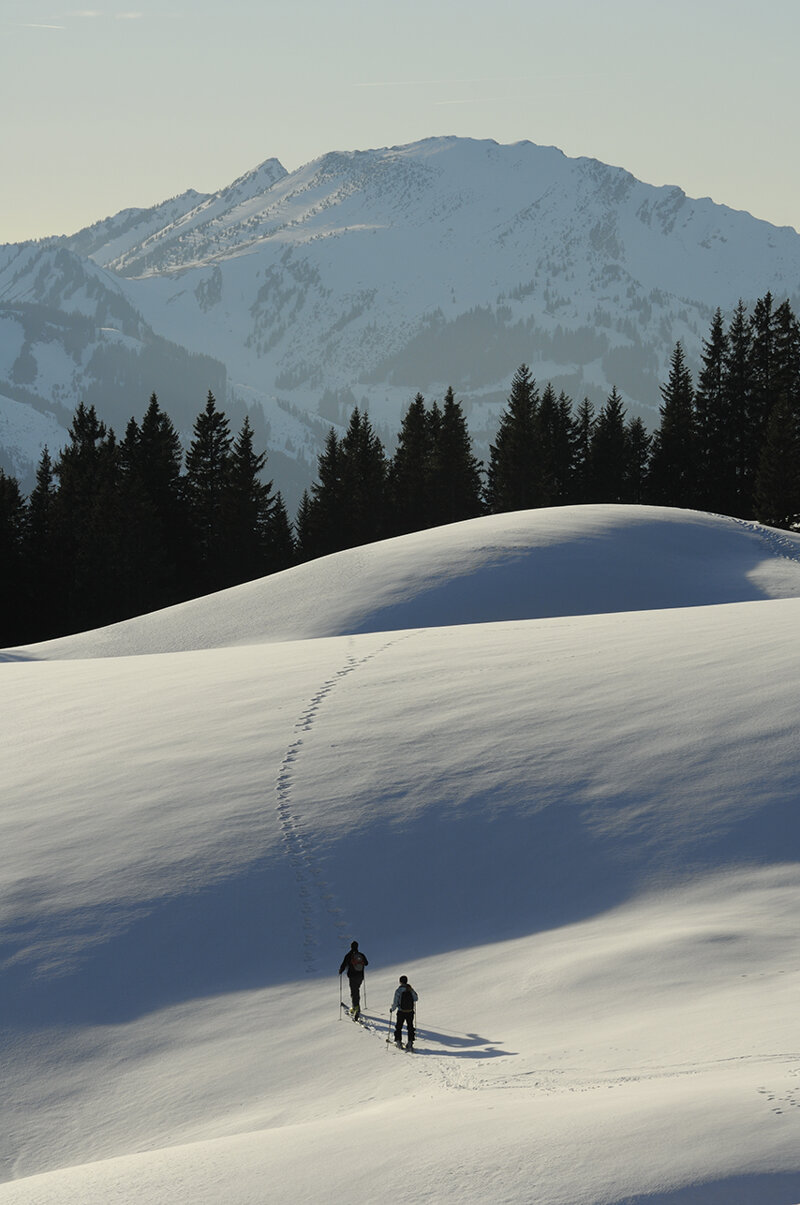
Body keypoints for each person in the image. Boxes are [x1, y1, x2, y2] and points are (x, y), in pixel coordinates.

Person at [338, 940, 368, 1016]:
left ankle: (356, 1008)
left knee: (354, 992)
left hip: (352, 976)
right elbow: (366, 963)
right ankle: (356, 1006)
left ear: (351, 947)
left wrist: (340, 971)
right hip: (360, 976)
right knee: (356, 991)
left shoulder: (348, 956)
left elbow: (343, 965)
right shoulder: (361, 955)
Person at [391, 974, 418, 1050]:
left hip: (401, 1011)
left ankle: (398, 1042)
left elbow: (395, 1002)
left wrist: (392, 1009)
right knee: (410, 1027)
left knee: (398, 1027)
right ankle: (410, 1043)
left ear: (400, 982)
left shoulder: (398, 990)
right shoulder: (410, 989)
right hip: (410, 1011)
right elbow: (416, 999)